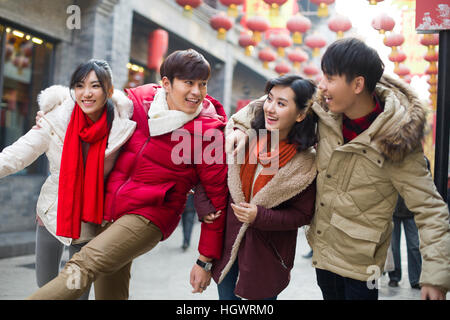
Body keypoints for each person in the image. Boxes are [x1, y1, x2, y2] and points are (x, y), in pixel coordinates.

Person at [226, 38, 450, 300]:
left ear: (357, 84)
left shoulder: (397, 141)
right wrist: (241, 127)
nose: (322, 85)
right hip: (324, 258)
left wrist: (436, 277)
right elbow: (270, 102)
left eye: (330, 78)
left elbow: (430, 209)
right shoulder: (323, 110)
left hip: (361, 267)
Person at [27, 49, 228, 300]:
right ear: (166, 83)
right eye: (188, 83)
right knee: (110, 293)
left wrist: (204, 260)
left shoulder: (208, 132)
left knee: (83, 265)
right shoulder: (139, 101)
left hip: (149, 216)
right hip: (108, 209)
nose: (197, 92)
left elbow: (216, 198)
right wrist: (52, 118)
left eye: (203, 84)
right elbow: (94, 110)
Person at [0, 59, 136, 300]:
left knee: (76, 292)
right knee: (46, 288)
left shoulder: (122, 128)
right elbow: (17, 155)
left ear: (109, 90)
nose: (86, 93)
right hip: (53, 213)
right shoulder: (55, 121)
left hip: (92, 220)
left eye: (95, 86)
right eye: (80, 85)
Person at [196, 75, 317, 300]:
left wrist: (260, 216)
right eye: (269, 99)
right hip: (227, 247)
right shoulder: (243, 137)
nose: (270, 108)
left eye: (281, 104)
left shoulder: (305, 162)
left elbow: (302, 214)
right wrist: (204, 207)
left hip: (267, 256)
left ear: (300, 115)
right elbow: (211, 179)